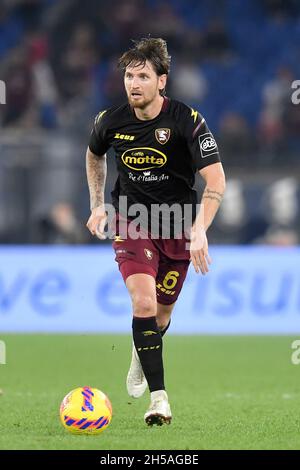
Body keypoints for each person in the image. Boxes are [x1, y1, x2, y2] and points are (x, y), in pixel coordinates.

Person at [86, 38, 226, 426]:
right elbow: (94, 153)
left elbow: (216, 178)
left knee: (160, 316)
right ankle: (160, 400)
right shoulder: (110, 121)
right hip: (131, 222)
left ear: (161, 81)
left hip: (178, 226)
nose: (134, 83)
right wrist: (98, 203)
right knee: (143, 304)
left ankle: (139, 348)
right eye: (129, 76)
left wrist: (200, 227)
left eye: (143, 76)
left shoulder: (187, 121)